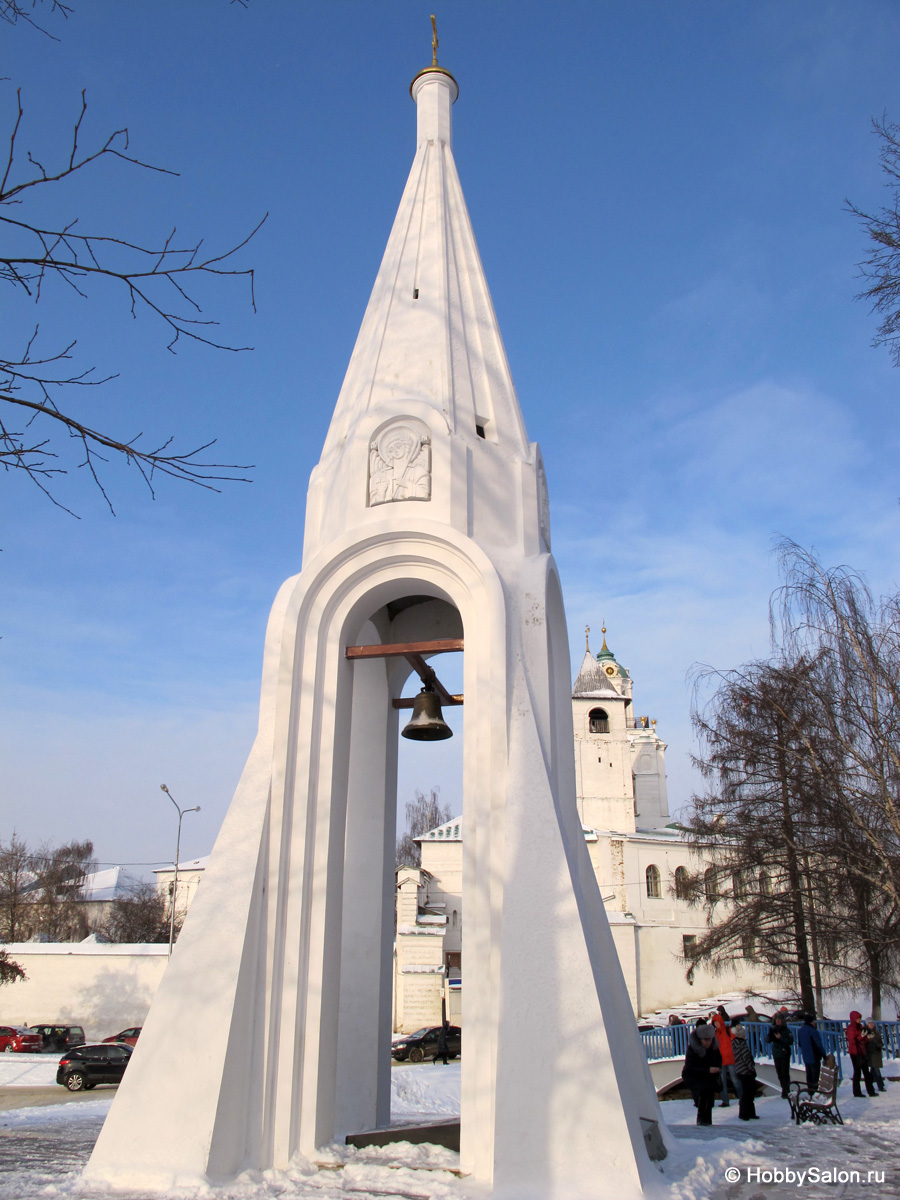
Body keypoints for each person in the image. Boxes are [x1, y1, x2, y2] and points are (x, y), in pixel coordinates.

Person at [682, 1022, 722, 1126]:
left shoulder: (714, 1048)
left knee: (709, 1098)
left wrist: (717, 1069)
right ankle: (701, 1120)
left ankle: (707, 1122)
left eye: (710, 1039)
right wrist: (707, 1069)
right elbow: (690, 1068)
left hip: (709, 1077)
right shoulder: (693, 1049)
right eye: (705, 1040)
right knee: (703, 1094)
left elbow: (719, 1060)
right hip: (694, 1077)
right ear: (700, 1039)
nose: (708, 1042)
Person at [711, 1006, 742, 1107]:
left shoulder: (728, 1031)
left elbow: (738, 1039)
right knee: (722, 1082)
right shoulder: (715, 1034)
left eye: (717, 1022)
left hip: (731, 1059)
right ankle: (725, 1100)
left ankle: (742, 1097)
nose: (716, 1024)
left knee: (735, 1080)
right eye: (715, 1023)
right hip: (721, 1061)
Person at [730, 1020, 759, 1121]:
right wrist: (752, 1069)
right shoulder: (742, 1045)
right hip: (745, 1071)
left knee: (746, 1093)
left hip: (739, 1070)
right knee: (748, 1093)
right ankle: (746, 1113)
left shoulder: (733, 1043)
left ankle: (746, 1113)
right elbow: (746, 1058)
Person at [846, 1011, 877, 1097]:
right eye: (858, 1019)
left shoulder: (861, 1027)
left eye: (860, 1019)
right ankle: (857, 1092)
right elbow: (853, 1041)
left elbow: (862, 1040)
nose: (859, 1020)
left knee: (866, 1072)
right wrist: (862, 1036)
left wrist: (867, 1038)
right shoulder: (851, 1028)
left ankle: (871, 1091)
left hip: (863, 1052)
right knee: (857, 1072)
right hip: (855, 1053)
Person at [766, 1011, 794, 1098]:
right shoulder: (773, 1029)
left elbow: (790, 1041)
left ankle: (786, 1091)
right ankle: (784, 1088)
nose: (778, 1021)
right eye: (777, 1020)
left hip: (784, 1053)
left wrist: (781, 1038)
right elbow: (767, 1040)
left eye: (779, 1020)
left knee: (785, 1073)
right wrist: (771, 1035)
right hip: (776, 1053)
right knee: (779, 1073)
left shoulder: (785, 1030)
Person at [797, 1014, 827, 1092]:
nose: (814, 1022)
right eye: (813, 1021)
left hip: (806, 1056)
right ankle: (815, 1092)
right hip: (814, 1056)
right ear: (811, 1022)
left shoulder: (800, 1030)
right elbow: (818, 1044)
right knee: (815, 1075)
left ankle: (810, 1091)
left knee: (809, 1074)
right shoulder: (813, 1031)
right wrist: (824, 1055)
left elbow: (800, 1044)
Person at [864, 1020, 886, 1093]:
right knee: (876, 1069)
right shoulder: (865, 1032)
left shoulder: (876, 1032)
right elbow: (864, 1042)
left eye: (872, 1023)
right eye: (870, 1023)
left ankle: (870, 1082)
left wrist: (879, 1045)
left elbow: (880, 1041)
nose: (871, 1024)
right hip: (871, 1053)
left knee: (873, 1069)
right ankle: (880, 1085)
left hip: (876, 1053)